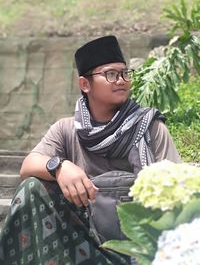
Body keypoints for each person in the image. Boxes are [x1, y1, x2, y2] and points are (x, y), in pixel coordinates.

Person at [0, 35, 181, 265]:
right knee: (32, 188)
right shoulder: (66, 129)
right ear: (85, 84)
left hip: (141, 247)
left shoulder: (151, 127)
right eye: (111, 74)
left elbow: (179, 194)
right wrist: (59, 166)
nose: (122, 80)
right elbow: (28, 165)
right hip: (83, 243)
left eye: (125, 73)